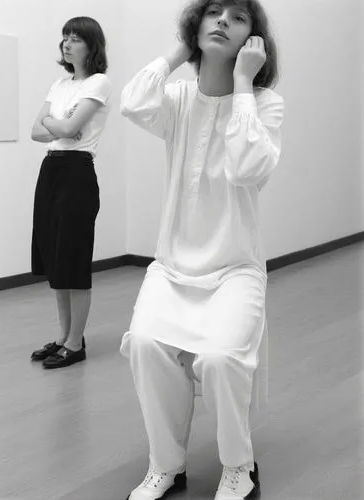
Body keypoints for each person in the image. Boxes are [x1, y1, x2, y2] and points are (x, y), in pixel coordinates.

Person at [120, 0, 284, 498]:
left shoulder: (265, 104)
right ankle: (166, 465)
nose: (221, 22)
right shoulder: (178, 100)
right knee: (145, 346)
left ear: (253, 41)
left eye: (237, 17)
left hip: (235, 268)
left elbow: (248, 168)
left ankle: (240, 466)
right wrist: (179, 49)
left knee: (218, 360)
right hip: (171, 268)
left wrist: (241, 85)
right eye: (212, 12)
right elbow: (132, 102)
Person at [30, 17, 112, 369]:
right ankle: (64, 338)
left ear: (92, 46)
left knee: (74, 259)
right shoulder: (60, 84)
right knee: (55, 258)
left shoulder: (99, 83)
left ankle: (76, 344)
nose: (67, 43)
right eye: (65, 37)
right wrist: (57, 125)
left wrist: (56, 124)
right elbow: (37, 131)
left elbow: (68, 127)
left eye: (75, 38)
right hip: (50, 170)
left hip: (77, 173)